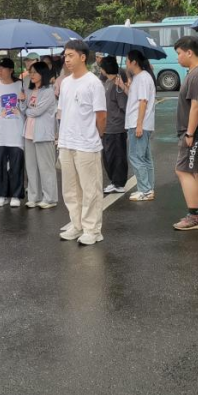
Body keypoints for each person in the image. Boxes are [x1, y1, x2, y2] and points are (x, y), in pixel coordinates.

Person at [57, 40, 108, 244]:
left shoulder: (93, 83)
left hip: (87, 144)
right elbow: (62, 112)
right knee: (70, 190)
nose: (67, 59)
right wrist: (60, 138)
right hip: (66, 142)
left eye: (71, 55)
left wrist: (96, 135)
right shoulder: (66, 82)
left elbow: (101, 115)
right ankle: (77, 225)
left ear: (83, 57)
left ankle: (92, 230)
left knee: (90, 189)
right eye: (65, 56)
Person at [172, 36, 198, 231]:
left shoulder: (197, 74)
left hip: (196, 133)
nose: (178, 57)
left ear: (189, 52)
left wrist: (189, 133)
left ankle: (195, 216)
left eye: (179, 53)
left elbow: (197, 106)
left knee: (183, 170)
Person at [0, 58, 27, 207]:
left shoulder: (20, 85)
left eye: (2, 68)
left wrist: (22, 101)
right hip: (0, 131)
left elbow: (25, 110)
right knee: (0, 164)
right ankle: (1, 194)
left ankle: (16, 195)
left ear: (11, 70)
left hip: (16, 131)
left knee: (16, 164)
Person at [23, 61, 59, 208]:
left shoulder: (49, 91)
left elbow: (37, 111)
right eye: (30, 72)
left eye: (35, 72)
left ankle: (50, 198)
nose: (31, 75)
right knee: (31, 167)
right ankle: (34, 197)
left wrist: (27, 109)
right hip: (28, 133)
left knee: (46, 167)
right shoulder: (29, 91)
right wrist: (22, 101)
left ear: (42, 74)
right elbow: (23, 108)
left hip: (43, 134)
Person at [125, 50, 157, 202]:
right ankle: (148, 189)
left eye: (127, 61)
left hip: (138, 124)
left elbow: (143, 101)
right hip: (143, 123)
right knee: (145, 158)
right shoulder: (140, 77)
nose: (126, 64)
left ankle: (144, 189)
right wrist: (124, 86)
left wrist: (139, 125)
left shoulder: (142, 78)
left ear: (134, 62)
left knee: (136, 156)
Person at [99, 56, 129, 193]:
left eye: (101, 67)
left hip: (116, 127)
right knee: (108, 156)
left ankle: (119, 183)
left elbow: (124, 106)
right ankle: (114, 181)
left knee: (117, 156)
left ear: (105, 69)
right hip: (107, 126)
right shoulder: (108, 82)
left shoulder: (117, 84)